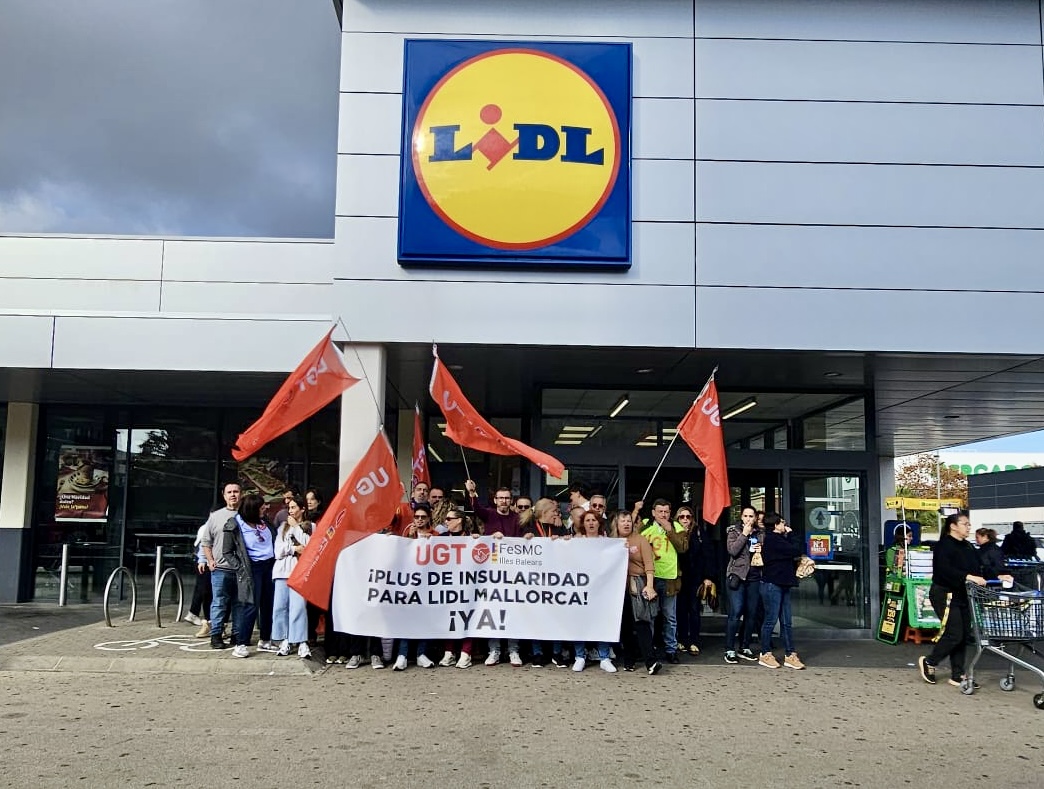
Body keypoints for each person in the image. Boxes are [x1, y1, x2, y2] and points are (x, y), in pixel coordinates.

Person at [919, 512, 1012, 687]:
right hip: (945, 594)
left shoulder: (968, 546)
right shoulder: (943, 546)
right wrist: (968, 576)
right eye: (965, 524)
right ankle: (930, 661)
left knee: (963, 635)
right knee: (955, 632)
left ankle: (957, 674)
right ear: (953, 526)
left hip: (963, 594)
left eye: (969, 524)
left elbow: (980, 568)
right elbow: (944, 571)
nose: (969, 527)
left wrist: (999, 576)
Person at [465, 481, 523, 665]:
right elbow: (477, 508)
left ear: (510, 501)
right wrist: (472, 492)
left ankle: (513, 650)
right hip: (491, 573)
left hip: (513, 573)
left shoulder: (517, 518)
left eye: (507, 498)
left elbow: (524, 538)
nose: (504, 501)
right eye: (500, 498)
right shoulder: (489, 514)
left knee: (512, 611)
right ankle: (494, 650)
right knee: (493, 611)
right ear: (495, 500)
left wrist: (527, 538)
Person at [633, 498, 689, 663]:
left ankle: (671, 650)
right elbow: (629, 533)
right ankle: (649, 651)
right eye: (660, 512)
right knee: (649, 616)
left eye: (666, 512)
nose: (663, 515)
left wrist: (669, 530)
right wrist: (636, 510)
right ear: (653, 513)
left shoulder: (677, 526)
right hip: (648, 577)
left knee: (669, 617)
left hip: (670, 578)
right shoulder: (645, 524)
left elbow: (683, 548)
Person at [612, 510, 660, 675]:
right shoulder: (611, 541)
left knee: (642, 622)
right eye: (622, 521)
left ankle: (651, 661)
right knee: (625, 625)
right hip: (617, 587)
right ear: (616, 524)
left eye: (628, 521)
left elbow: (649, 565)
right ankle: (629, 659)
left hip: (636, 585)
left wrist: (650, 586)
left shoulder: (641, 540)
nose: (626, 523)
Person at [758, 513, 804, 670]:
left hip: (782, 584)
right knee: (771, 620)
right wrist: (791, 533)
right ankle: (765, 653)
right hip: (772, 585)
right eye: (782, 522)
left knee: (787, 622)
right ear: (776, 525)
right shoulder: (773, 539)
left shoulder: (777, 539)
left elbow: (791, 550)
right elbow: (796, 550)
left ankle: (790, 654)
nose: (785, 524)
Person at [201, 482, 243, 651]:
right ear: (224, 495)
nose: (233, 495)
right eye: (229, 492)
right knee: (219, 603)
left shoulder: (247, 515)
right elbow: (206, 541)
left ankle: (238, 634)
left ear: (241, 494)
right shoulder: (215, 516)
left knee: (240, 603)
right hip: (220, 569)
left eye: (236, 492)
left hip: (241, 570)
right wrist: (210, 560)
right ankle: (216, 635)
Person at [233, 492, 277, 654]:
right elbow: (227, 551)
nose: (265, 508)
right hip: (252, 568)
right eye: (261, 506)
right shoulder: (235, 525)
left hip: (269, 565)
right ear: (252, 509)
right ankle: (241, 643)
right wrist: (240, 567)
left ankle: (265, 639)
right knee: (251, 605)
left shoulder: (264, 522)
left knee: (268, 604)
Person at [572, 511, 616, 673]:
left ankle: (604, 657)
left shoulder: (607, 542)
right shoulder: (576, 541)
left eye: (594, 520)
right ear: (583, 524)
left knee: (602, 622)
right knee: (579, 623)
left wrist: (622, 548)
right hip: (580, 588)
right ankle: (579, 656)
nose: (591, 523)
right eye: (587, 520)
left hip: (601, 590)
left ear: (599, 523)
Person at [272, 494, 311, 658]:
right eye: (289, 508)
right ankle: (284, 639)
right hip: (282, 571)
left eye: (294, 507)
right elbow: (278, 551)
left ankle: (301, 641)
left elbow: (309, 545)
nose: (291, 510)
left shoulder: (310, 526)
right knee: (280, 607)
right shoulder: (282, 527)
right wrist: (294, 549)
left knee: (298, 607)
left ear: (302, 509)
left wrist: (296, 527)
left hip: (300, 572)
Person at [676, 504, 714, 657]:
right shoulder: (673, 532)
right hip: (678, 577)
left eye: (688, 516)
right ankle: (682, 639)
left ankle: (694, 641)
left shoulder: (699, 532)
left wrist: (708, 577)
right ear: (677, 519)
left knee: (694, 610)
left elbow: (708, 555)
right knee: (680, 610)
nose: (685, 519)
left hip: (695, 577)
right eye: (682, 517)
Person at [723, 506, 760, 664]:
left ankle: (745, 647)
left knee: (751, 613)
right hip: (737, 576)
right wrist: (744, 534)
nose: (748, 519)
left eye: (751, 516)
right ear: (741, 517)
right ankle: (729, 649)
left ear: (755, 518)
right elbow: (733, 551)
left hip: (754, 577)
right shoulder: (734, 531)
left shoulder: (760, 533)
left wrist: (761, 549)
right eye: (745, 516)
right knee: (736, 612)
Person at [184, 521, 213, 638]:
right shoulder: (208, 527)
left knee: (204, 590)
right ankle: (204, 618)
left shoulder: (205, 526)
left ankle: (197, 614)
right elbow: (203, 544)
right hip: (206, 562)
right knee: (204, 591)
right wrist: (202, 560)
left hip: (206, 562)